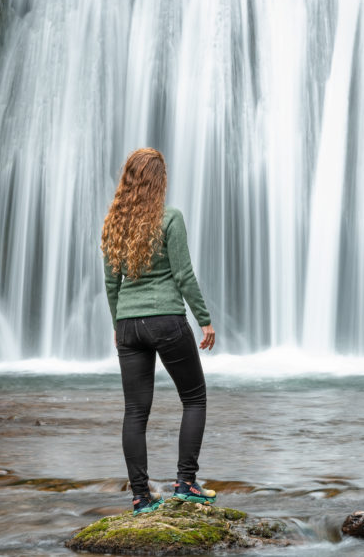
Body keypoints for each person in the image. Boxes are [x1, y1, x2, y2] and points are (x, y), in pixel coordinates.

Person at [101, 147, 217, 515]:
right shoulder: (170, 219)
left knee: (135, 412)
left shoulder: (114, 224)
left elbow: (110, 283)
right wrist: (205, 319)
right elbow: (183, 275)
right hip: (166, 320)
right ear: (159, 181)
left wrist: (119, 324)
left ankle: (141, 497)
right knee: (194, 398)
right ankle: (185, 483)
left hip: (128, 325)